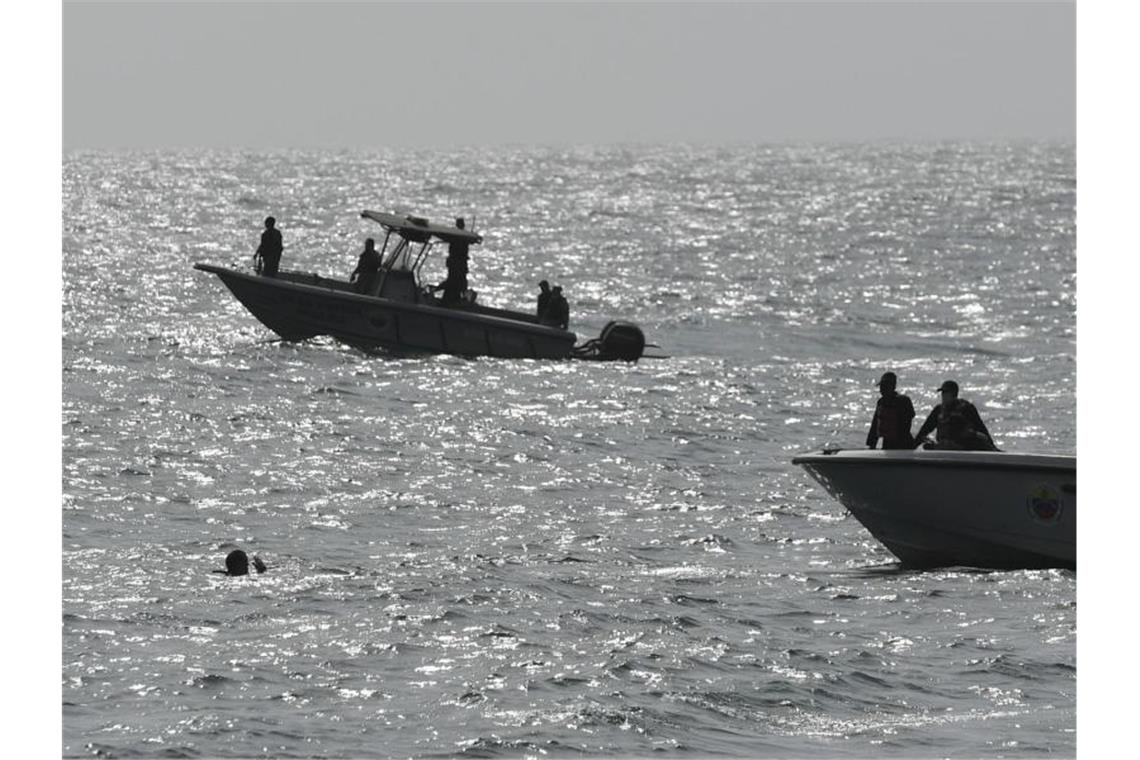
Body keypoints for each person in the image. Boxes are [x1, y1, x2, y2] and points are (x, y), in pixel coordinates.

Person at [913, 380, 999, 451]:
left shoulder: (966, 408)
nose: (943, 395)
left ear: (954, 393)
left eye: (945, 392)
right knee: (927, 446)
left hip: (964, 447)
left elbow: (981, 428)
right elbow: (925, 429)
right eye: (942, 393)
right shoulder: (939, 410)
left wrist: (993, 448)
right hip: (944, 447)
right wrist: (913, 445)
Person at [866, 371, 916, 449]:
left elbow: (909, 420)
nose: (882, 390)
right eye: (881, 387)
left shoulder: (903, 401)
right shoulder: (881, 402)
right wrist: (871, 445)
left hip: (904, 444)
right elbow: (875, 426)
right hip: (887, 443)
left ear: (893, 387)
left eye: (885, 387)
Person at [440, 217, 470, 306]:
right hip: (458, 265)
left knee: (452, 289)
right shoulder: (462, 236)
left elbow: (450, 283)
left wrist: (437, 288)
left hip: (457, 264)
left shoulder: (461, 237)